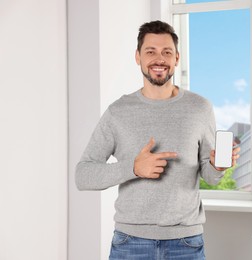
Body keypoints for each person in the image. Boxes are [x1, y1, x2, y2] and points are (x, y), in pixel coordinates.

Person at [75, 20, 240, 260]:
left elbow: (210, 177)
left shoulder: (200, 108)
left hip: (186, 243)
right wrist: (133, 167)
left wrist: (218, 166)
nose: (159, 59)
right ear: (138, 57)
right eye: (150, 51)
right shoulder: (118, 111)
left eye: (166, 52)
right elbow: (83, 175)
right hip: (130, 243)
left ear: (177, 58)